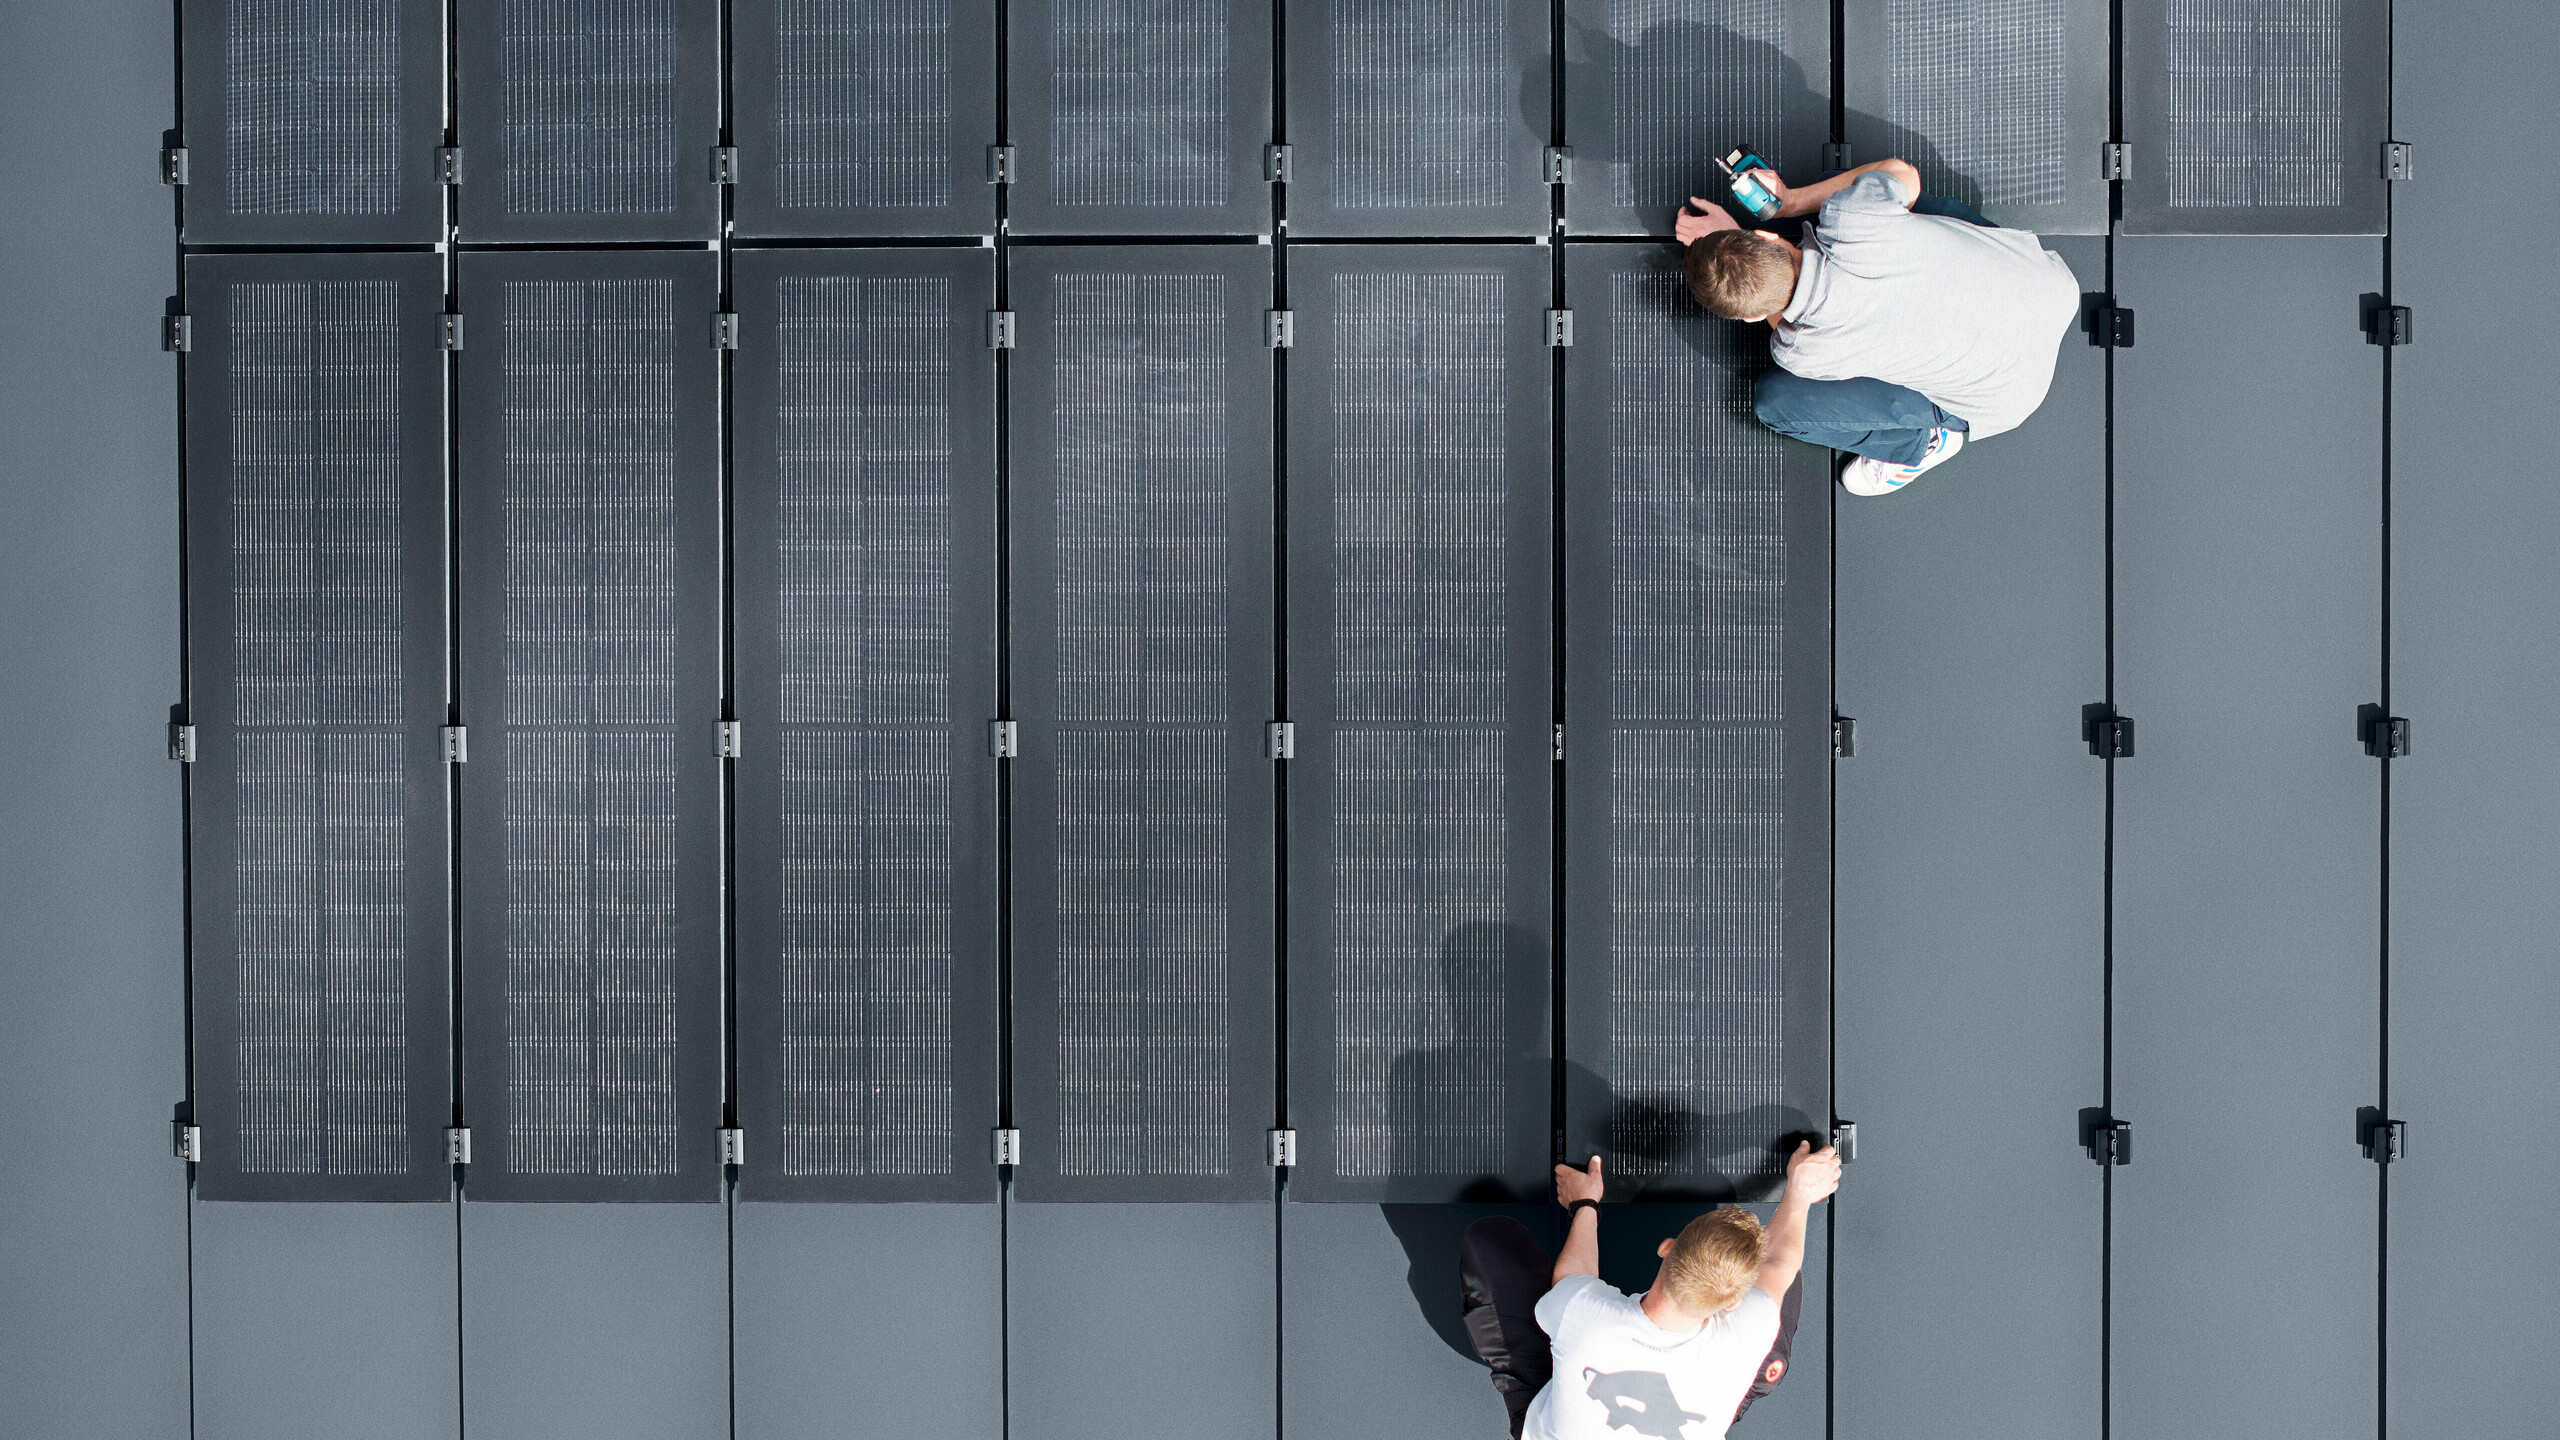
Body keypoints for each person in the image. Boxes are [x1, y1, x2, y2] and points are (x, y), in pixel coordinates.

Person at [1674, 158, 2082, 497]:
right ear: (1764, 234)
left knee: (1775, 403)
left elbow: (1783, 317)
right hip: (2049, 283)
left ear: (1748, 316)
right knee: (1873, 193)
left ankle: (1922, 443)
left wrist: (1740, 267)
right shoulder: (1852, 217)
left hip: (2006, 394)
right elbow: (1905, 175)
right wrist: (1788, 202)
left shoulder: (1801, 351)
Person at [1458, 1142, 1845, 1439]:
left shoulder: (1585, 1317)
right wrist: (1800, 1194)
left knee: (1490, 1242)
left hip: (1554, 1404)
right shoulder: (1746, 1333)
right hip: (1708, 1381)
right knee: (1781, 1288)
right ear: (1732, 1303)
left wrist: (1585, 1202)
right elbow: (1781, 1262)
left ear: (1667, 1247)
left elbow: (1576, 1274)